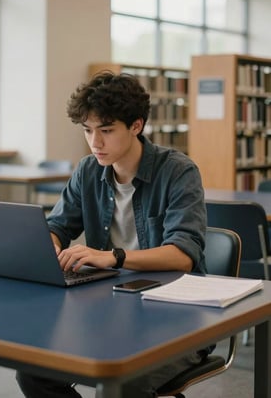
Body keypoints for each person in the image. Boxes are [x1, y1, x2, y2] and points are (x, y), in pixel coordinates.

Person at [16, 71, 209, 398]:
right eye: (88, 130)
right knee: (34, 373)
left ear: (136, 125)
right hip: (108, 310)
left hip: (177, 317)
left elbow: (183, 255)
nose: (95, 142)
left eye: (106, 130)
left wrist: (114, 256)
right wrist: (47, 246)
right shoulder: (88, 170)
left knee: (127, 383)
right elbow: (57, 226)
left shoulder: (178, 171)